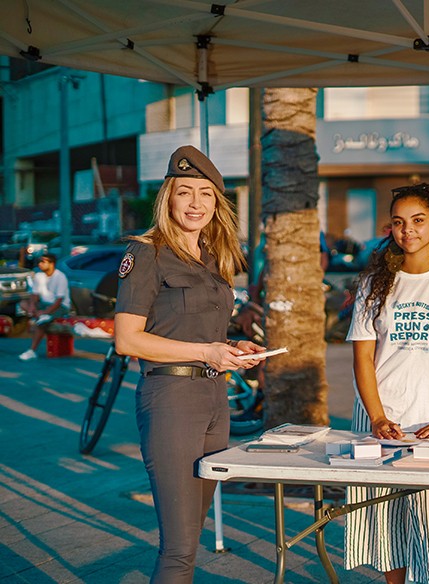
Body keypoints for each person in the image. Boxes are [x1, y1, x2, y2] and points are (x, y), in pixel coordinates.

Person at [114, 145, 266, 583]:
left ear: (217, 203)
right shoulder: (145, 253)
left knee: (192, 535)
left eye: (206, 194)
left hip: (215, 398)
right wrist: (206, 352)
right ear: (169, 198)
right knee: (178, 549)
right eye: (185, 192)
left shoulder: (213, 258)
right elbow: (127, 340)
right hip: (172, 399)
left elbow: (201, 333)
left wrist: (231, 347)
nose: (196, 203)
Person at [344, 182, 429, 584]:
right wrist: (376, 418)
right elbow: (363, 358)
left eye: (418, 221)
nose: (409, 230)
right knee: (385, 526)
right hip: (377, 418)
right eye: (399, 222)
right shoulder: (373, 284)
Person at [18, 253, 71, 361]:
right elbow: (35, 294)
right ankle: (37, 316)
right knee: (23, 303)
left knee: (42, 323)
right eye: (39, 262)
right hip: (44, 304)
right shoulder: (39, 276)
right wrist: (32, 306)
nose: (40, 264)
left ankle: (32, 350)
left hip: (60, 307)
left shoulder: (60, 277)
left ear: (52, 264)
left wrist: (45, 312)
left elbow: (59, 300)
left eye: (43, 262)